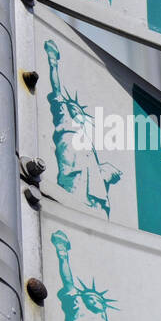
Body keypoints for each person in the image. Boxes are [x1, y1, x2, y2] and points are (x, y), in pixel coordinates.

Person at [43, 39, 122, 214]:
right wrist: (53, 62)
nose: (77, 111)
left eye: (79, 110)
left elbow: (99, 176)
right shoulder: (64, 120)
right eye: (73, 108)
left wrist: (105, 174)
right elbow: (57, 91)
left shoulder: (88, 144)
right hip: (72, 183)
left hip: (92, 197)